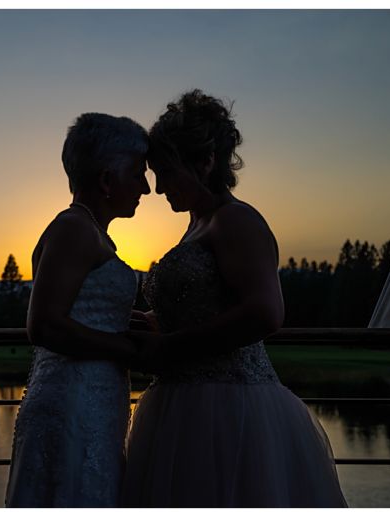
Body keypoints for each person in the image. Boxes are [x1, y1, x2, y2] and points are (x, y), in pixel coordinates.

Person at [122, 90, 347, 507]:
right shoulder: (198, 222)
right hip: (180, 404)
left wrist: (168, 346)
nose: (157, 187)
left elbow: (265, 312)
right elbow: (210, 301)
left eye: (166, 172)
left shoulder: (236, 220)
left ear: (205, 162)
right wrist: (156, 321)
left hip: (232, 410)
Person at [5, 112, 150, 507]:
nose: (146, 187)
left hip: (93, 401)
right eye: (138, 174)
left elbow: (83, 311)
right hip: (73, 403)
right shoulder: (73, 229)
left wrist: (135, 324)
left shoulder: (88, 231)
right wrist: (129, 349)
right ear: (106, 180)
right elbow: (44, 325)